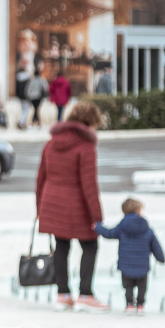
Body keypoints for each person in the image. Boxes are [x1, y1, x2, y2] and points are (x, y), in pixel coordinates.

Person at [36, 101, 108, 313]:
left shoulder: (50, 143)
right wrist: (97, 216)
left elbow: (40, 179)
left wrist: (39, 208)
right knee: (90, 245)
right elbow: (89, 185)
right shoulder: (86, 146)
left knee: (61, 246)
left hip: (51, 202)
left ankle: (63, 295)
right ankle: (85, 295)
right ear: (90, 122)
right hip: (76, 204)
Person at [95, 198, 165, 315]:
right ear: (138, 211)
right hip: (142, 266)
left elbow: (109, 233)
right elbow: (155, 245)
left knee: (128, 287)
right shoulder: (146, 229)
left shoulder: (122, 227)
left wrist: (98, 227)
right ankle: (140, 305)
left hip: (125, 265)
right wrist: (161, 258)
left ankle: (129, 305)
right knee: (142, 287)